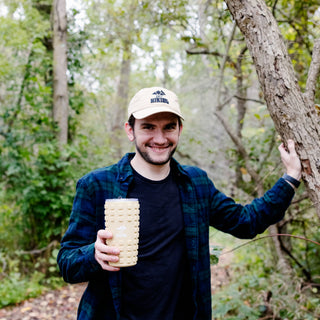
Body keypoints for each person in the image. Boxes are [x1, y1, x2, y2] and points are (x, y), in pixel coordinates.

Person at [57, 87, 302, 320]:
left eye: (169, 127)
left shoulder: (196, 184)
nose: (160, 138)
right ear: (130, 130)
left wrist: (289, 178)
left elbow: (246, 222)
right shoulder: (97, 185)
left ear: (180, 129)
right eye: (149, 127)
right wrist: (94, 254)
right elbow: (67, 263)